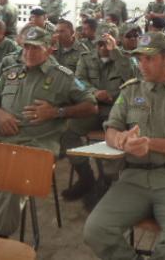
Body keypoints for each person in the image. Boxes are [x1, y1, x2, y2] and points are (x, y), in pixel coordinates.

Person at [0, 27, 97, 241]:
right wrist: (0, 114)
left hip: (37, 147)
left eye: (36, 48)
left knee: (13, 184)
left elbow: (91, 105)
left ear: (49, 49)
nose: (29, 53)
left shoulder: (63, 77)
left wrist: (56, 112)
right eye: (26, 47)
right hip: (1, 142)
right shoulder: (10, 73)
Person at [83, 31, 165, 260]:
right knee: (95, 229)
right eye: (139, 59)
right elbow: (111, 128)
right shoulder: (130, 91)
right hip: (133, 178)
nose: (142, 65)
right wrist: (119, 140)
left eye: (149, 58)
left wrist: (149, 144)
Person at [62, 23, 137, 202]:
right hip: (92, 108)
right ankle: (86, 177)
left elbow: (134, 79)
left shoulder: (126, 59)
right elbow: (77, 81)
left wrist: (116, 53)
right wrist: (95, 92)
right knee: (67, 133)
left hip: (116, 111)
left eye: (107, 44)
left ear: (116, 42)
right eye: (99, 44)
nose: (102, 48)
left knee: (115, 140)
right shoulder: (86, 58)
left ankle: (107, 180)